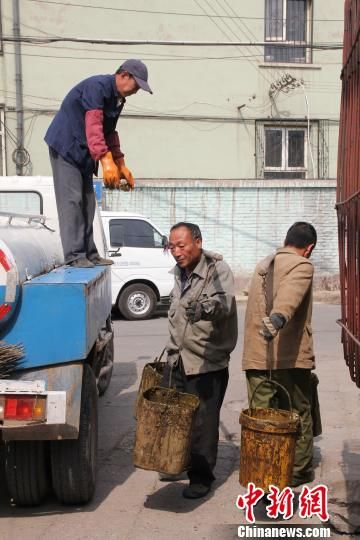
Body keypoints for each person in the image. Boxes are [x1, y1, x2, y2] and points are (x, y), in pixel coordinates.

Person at [45, 59, 152, 268]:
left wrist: (120, 162)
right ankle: (75, 255)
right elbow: (93, 124)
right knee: (72, 201)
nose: (136, 90)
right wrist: (105, 159)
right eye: (136, 85)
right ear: (124, 75)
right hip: (66, 146)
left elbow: (109, 131)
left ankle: (90, 253)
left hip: (85, 152)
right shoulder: (98, 87)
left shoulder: (118, 100)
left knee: (87, 202)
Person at [163, 222, 238, 499]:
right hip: (177, 357)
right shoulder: (179, 272)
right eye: (172, 246)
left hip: (206, 362)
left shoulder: (216, 269)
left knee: (203, 424)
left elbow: (224, 303)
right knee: (173, 417)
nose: (176, 252)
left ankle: (201, 477)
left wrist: (204, 308)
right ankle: (175, 463)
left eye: (181, 245)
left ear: (197, 242)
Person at [242, 221, 318, 487]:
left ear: (287, 241)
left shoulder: (263, 265)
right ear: (308, 249)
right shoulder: (302, 266)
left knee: (261, 416)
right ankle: (297, 470)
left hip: (256, 357)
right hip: (289, 356)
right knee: (298, 412)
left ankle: (263, 471)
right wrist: (278, 318)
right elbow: (290, 295)